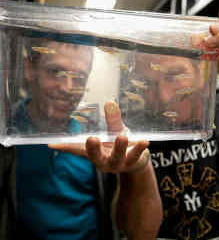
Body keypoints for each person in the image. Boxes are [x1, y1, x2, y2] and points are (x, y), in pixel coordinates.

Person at [55, 22, 219, 240]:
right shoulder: (130, 133)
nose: (165, 97)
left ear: (203, 71)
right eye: (147, 84)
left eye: (174, 76)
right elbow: (138, 233)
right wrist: (138, 170)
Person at [10, 37, 162, 240]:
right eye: (55, 72)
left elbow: (141, 234)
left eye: (79, 78)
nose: (66, 87)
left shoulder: (100, 137)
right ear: (29, 68)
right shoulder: (8, 131)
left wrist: (139, 170)